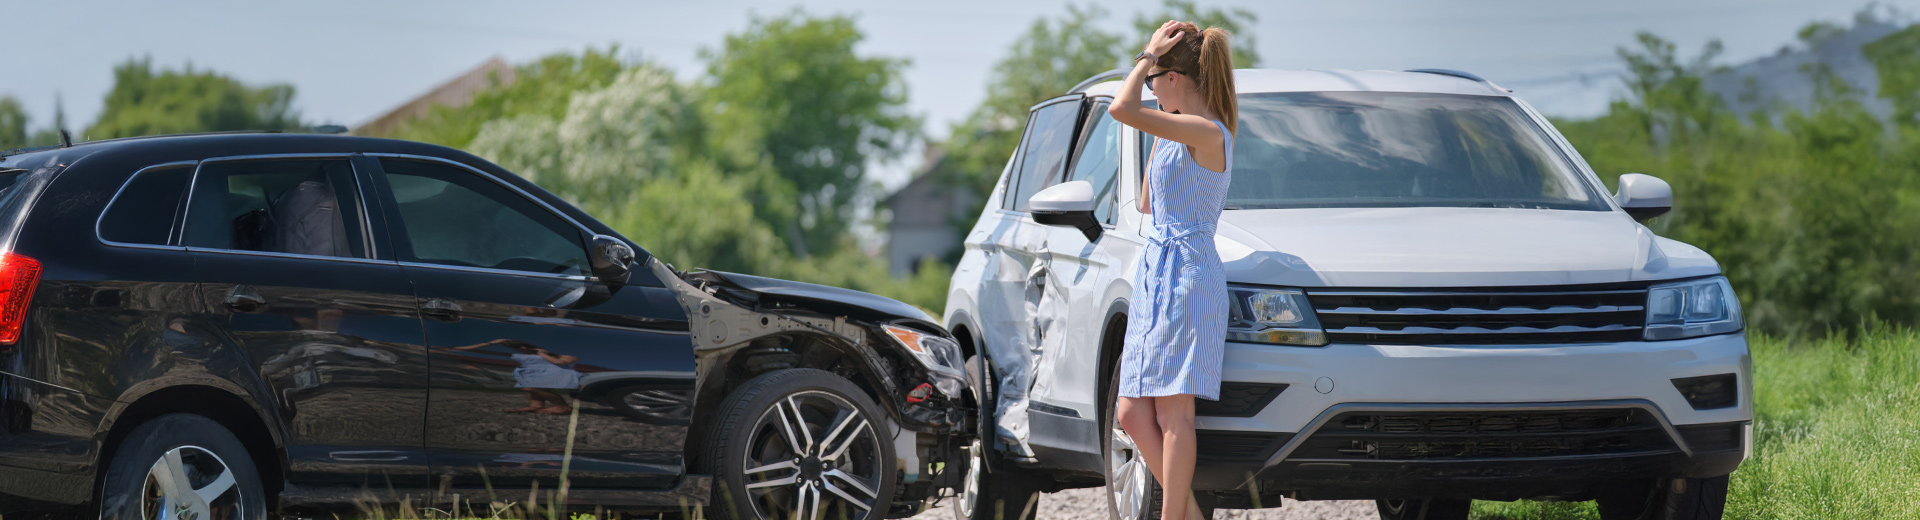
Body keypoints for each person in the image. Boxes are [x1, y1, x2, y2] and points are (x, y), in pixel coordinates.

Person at [1107, 19, 1239, 520]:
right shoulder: (1175, 127)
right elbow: (1146, 202)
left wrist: (1145, 55)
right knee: (1130, 412)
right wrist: (1158, 124)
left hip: (1188, 274)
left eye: (1155, 77)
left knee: (1173, 411)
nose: (1149, 87)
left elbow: (1122, 108)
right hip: (1155, 272)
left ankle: (1172, 517)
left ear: (1174, 78)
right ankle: (1193, 515)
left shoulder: (1208, 131)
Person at [450, 339, 582, 414]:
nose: (523, 348)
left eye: (526, 345)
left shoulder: (556, 355)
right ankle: (536, 406)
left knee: (529, 388)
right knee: (532, 388)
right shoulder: (518, 356)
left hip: (556, 375)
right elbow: (462, 349)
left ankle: (562, 406)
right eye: (519, 347)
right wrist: (494, 342)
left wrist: (543, 353)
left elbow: (558, 362)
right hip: (536, 376)